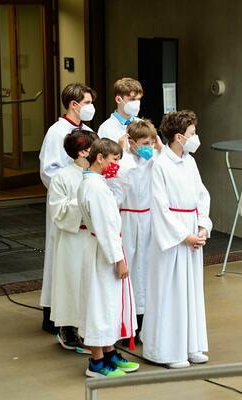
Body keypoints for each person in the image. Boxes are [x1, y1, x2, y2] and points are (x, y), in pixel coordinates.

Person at [141, 110, 212, 369]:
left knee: (191, 290)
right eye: (192, 133)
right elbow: (160, 207)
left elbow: (202, 195)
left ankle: (191, 345)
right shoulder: (161, 165)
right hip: (174, 236)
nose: (196, 137)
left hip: (192, 227)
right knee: (170, 292)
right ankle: (166, 351)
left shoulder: (189, 162)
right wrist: (184, 236)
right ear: (179, 137)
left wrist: (202, 225)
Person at [77, 139, 140, 378]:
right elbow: (104, 226)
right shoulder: (94, 188)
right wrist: (118, 259)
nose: (116, 165)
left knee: (110, 303)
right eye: (114, 159)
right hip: (103, 251)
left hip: (104, 247)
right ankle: (97, 361)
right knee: (100, 304)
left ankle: (109, 352)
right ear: (100, 157)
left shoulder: (98, 183)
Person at [38, 83, 97, 334]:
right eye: (87, 103)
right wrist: (72, 187)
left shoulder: (89, 131)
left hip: (87, 203)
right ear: (74, 104)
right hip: (66, 202)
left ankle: (78, 314)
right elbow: (48, 170)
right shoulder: (56, 132)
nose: (91, 107)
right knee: (60, 258)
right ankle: (55, 314)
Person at [47, 130, 98, 353]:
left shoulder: (98, 173)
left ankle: (94, 330)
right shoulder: (62, 177)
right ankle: (69, 328)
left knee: (93, 283)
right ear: (83, 152)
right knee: (72, 281)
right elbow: (58, 211)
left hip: (95, 236)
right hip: (73, 237)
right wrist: (83, 202)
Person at [117, 119, 163, 336]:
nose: (149, 147)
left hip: (148, 218)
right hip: (127, 219)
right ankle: (126, 319)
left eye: (151, 142)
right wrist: (123, 151)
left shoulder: (154, 159)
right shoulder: (124, 161)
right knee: (130, 265)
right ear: (132, 142)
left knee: (145, 268)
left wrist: (160, 148)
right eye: (145, 143)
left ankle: (144, 318)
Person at [97, 77, 143, 147]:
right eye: (132, 99)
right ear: (118, 100)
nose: (136, 103)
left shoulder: (142, 124)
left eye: (138, 99)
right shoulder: (106, 128)